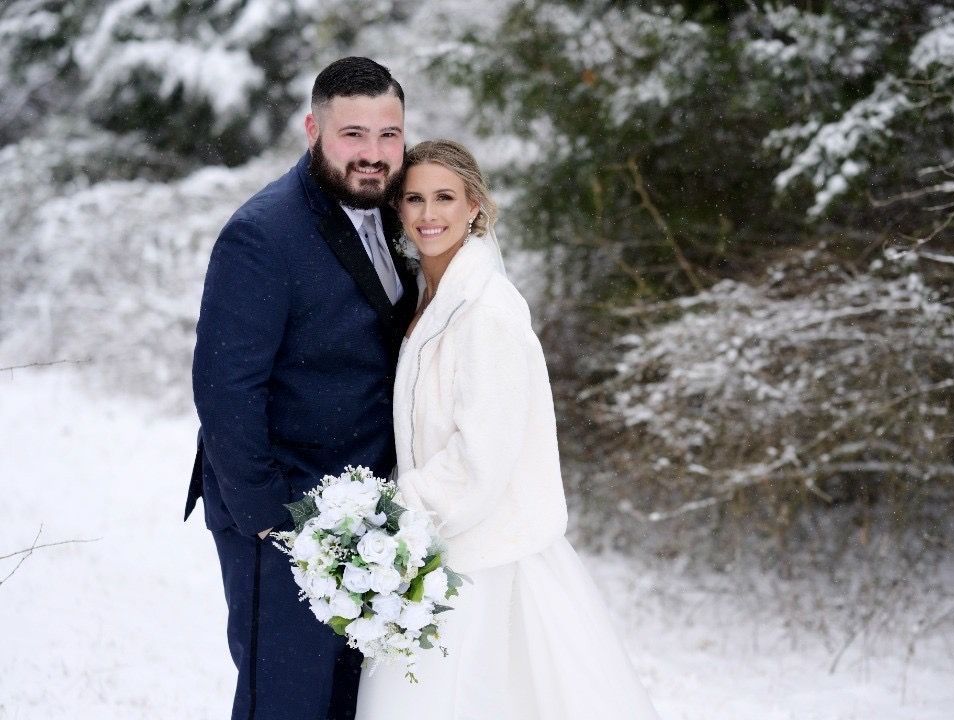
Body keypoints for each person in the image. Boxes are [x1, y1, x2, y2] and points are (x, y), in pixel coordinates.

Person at [354, 139, 660, 719]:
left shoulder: (488, 308)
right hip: (439, 546)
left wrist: (396, 511)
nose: (428, 214)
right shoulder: (429, 296)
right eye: (414, 199)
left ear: (475, 206)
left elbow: (482, 458)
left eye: (445, 197)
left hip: (484, 559)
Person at [186, 57, 418, 720]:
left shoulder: (398, 213)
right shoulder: (264, 233)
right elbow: (226, 386)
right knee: (287, 702)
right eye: (353, 135)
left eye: (389, 134)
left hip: (365, 513)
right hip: (279, 512)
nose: (373, 154)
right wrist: (268, 523)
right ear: (313, 128)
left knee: (348, 698)